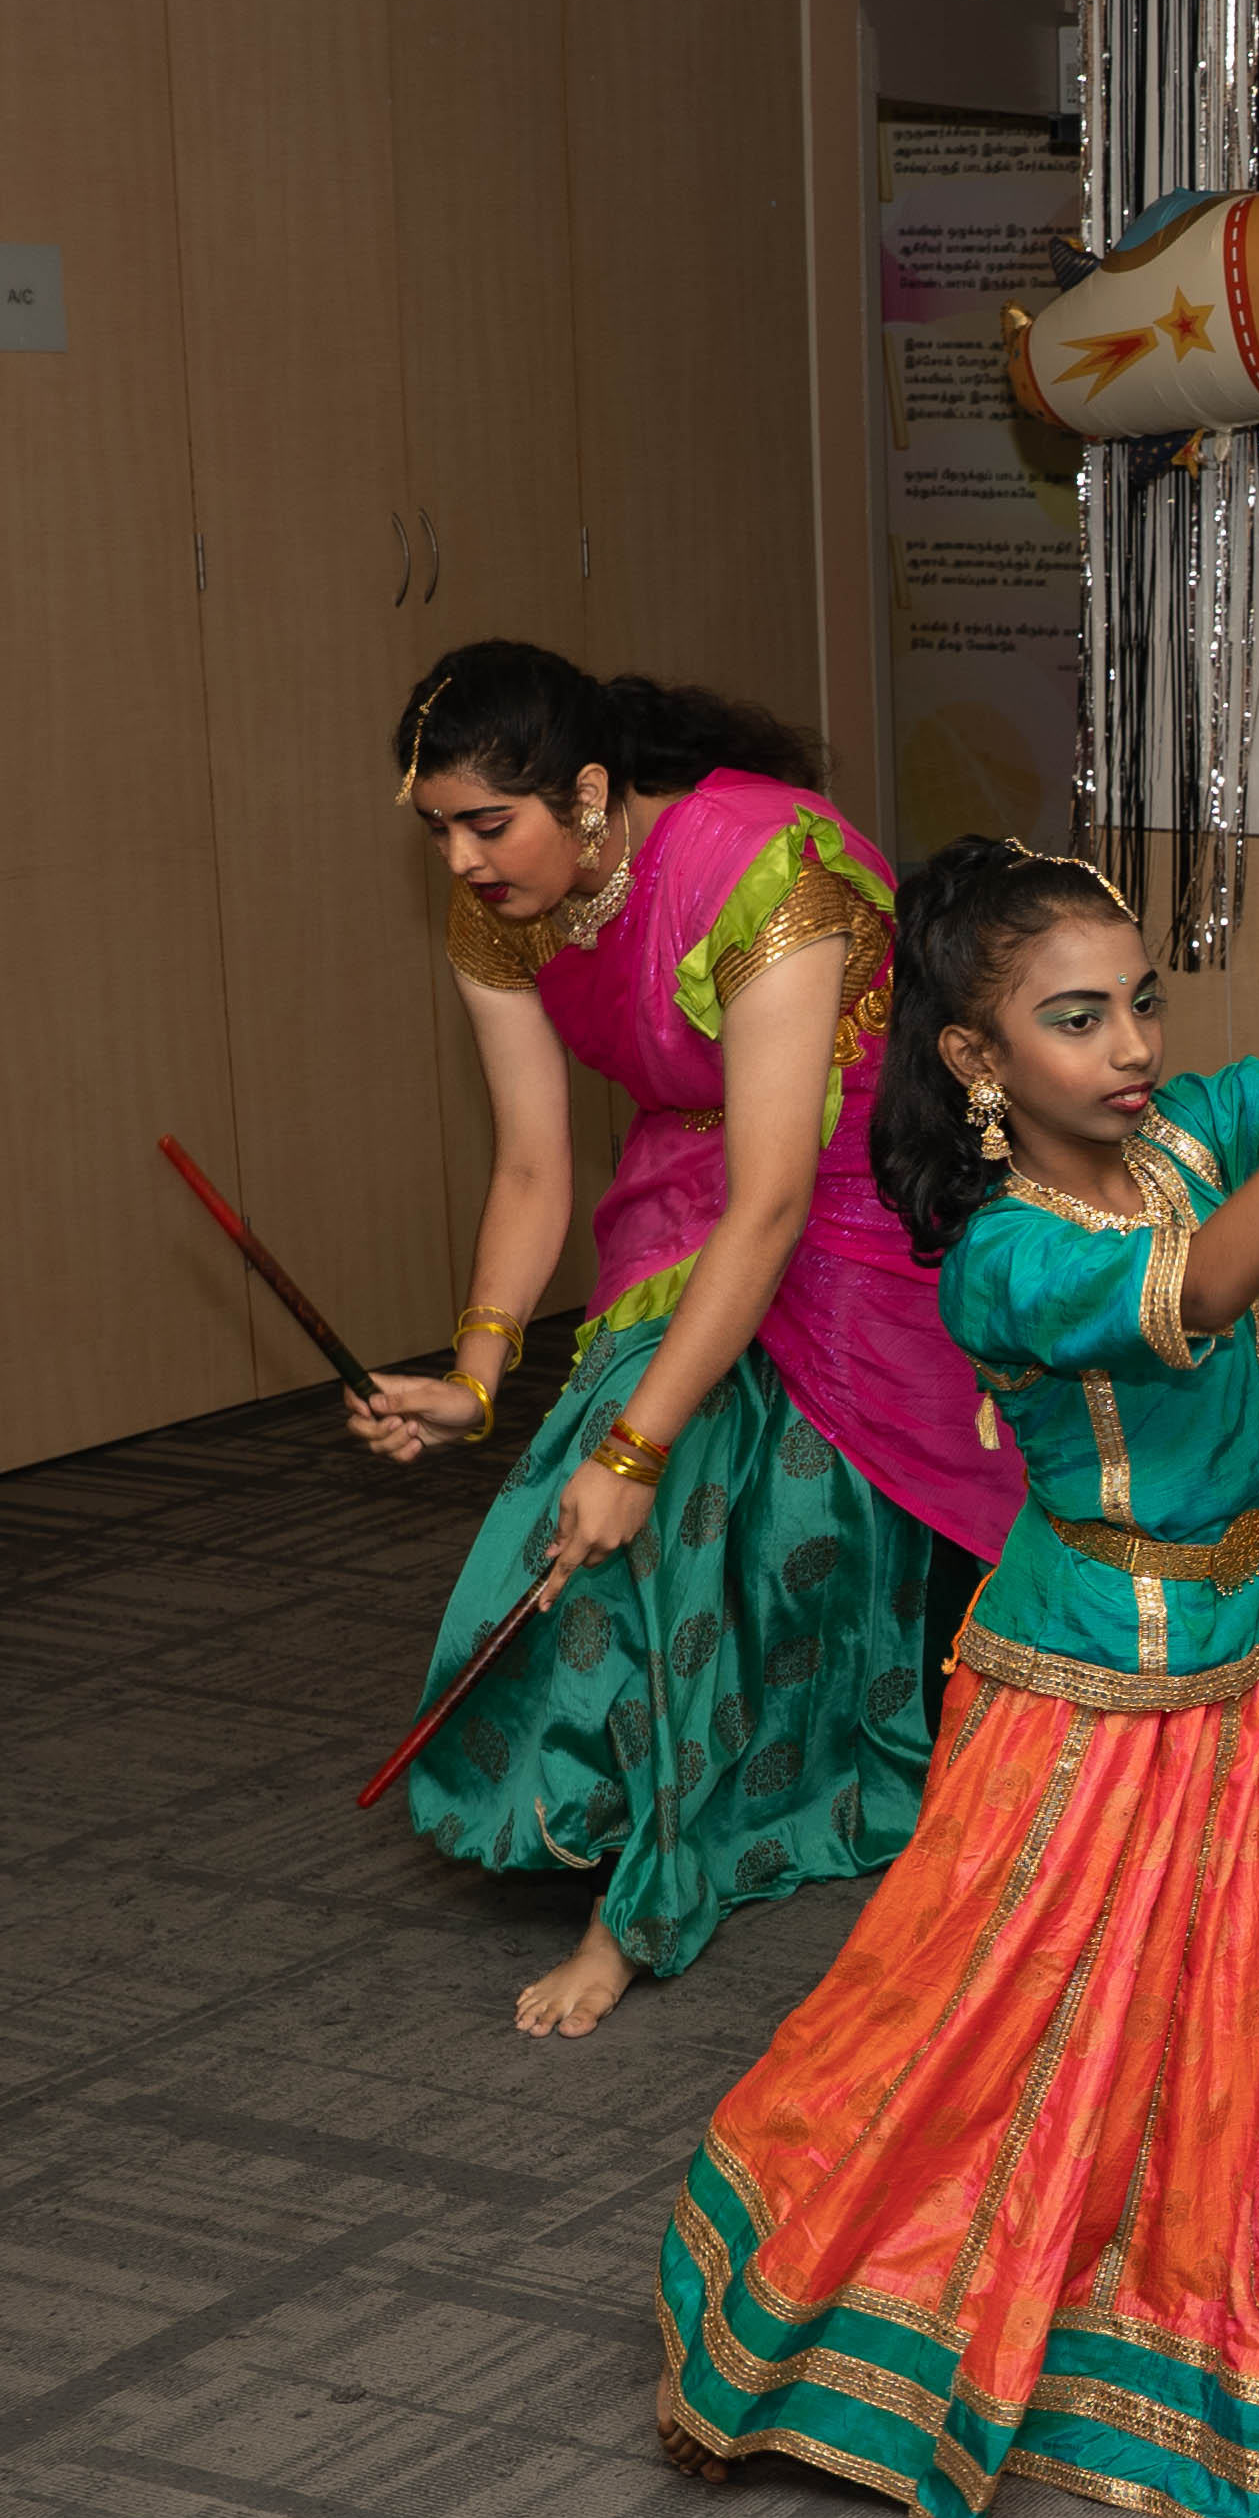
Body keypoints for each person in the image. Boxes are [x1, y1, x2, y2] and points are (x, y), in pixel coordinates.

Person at [650, 842, 1259, 2518]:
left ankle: (1193, 2272)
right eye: (1075, 1019)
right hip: (1094, 1680)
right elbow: (1201, 1293)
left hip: (1239, 1641)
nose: (1130, 1046)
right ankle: (833, 2289)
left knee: (1234, 1972)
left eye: (1142, 1005)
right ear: (975, 1058)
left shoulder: (1174, 1139)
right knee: (1000, 2000)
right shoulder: (1001, 1258)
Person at [361, 643, 1020, 2037]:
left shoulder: (761, 868)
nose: (463, 861)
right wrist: (478, 1378)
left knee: (690, 1498)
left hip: (858, 1184)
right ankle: (643, 1808)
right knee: (587, 1508)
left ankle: (652, 1889)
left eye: (490, 824)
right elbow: (532, 1162)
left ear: (591, 793)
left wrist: (639, 1449)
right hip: (690, 1183)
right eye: (438, 830)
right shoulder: (501, 914)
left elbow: (776, 1198)